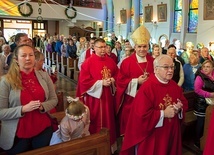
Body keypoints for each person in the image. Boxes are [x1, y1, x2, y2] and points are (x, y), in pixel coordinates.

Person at [120, 55, 188, 155]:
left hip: (172, 132)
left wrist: (179, 108)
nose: (170, 70)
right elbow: (141, 116)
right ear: (156, 69)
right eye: (166, 67)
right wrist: (163, 114)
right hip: (154, 135)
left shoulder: (174, 86)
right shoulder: (147, 88)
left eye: (172, 67)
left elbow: (184, 103)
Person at [0, 44, 58, 154]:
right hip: (17, 132)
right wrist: (22, 109)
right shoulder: (6, 81)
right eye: (24, 55)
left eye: (31, 55)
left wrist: (43, 106)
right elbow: (1, 112)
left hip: (43, 128)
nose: (28, 58)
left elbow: (54, 99)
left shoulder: (43, 76)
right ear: (16, 60)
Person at [76, 38, 118, 153]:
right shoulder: (88, 62)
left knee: (108, 120)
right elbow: (84, 82)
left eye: (105, 47)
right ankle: (94, 147)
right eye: (100, 47)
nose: (103, 49)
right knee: (96, 123)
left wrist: (112, 80)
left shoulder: (110, 61)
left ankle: (109, 147)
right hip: (94, 99)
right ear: (94, 48)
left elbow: (117, 74)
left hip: (108, 98)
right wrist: (101, 83)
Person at [116, 25, 154, 137]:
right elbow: (120, 82)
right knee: (132, 130)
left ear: (148, 47)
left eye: (144, 46)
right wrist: (137, 81)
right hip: (132, 100)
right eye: (139, 46)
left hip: (150, 100)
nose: (142, 49)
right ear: (135, 47)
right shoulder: (126, 62)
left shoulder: (153, 61)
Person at [194, 60, 214, 149]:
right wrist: (210, 94)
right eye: (204, 67)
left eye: (208, 66)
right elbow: (197, 90)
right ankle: (197, 141)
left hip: (211, 104)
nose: (205, 68)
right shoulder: (200, 77)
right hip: (201, 104)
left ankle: (207, 140)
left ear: (212, 68)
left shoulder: (213, 76)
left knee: (209, 122)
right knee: (201, 123)